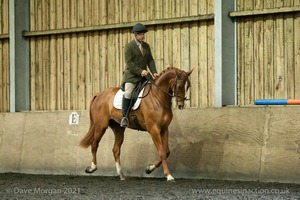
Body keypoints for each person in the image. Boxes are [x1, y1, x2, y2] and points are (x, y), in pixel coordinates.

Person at [120, 23, 159, 127]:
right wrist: (141, 71)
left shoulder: (146, 46)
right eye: (141, 34)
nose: (143, 36)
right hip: (132, 76)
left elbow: (150, 60)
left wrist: (154, 71)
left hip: (145, 76)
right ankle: (124, 116)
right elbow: (130, 63)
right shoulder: (129, 46)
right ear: (135, 35)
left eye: (143, 34)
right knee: (128, 93)